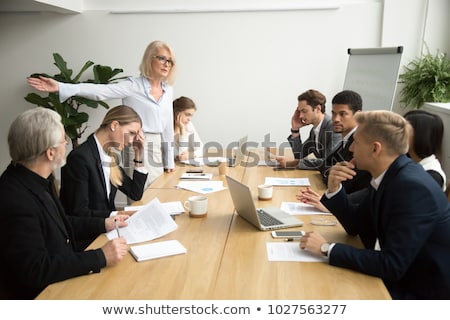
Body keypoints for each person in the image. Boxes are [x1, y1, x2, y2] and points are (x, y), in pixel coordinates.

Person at [299, 110, 450, 299]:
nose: (351, 148)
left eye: (357, 142)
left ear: (375, 149)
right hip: (399, 280)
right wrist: (334, 188)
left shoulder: (412, 187)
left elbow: (391, 265)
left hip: (419, 294)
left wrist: (327, 248)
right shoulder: (390, 175)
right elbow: (355, 225)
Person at [0, 107, 129, 299]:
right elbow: (36, 269)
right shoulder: (15, 198)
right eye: (63, 140)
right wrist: (100, 256)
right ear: (50, 153)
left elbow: (61, 225)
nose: (67, 143)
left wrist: (104, 223)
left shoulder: (38, 178)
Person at [27, 40, 177, 188]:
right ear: (150, 59)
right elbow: (100, 91)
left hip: (157, 146)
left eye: (170, 61)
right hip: (136, 143)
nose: (166, 64)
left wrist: (169, 160)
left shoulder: (168, 90)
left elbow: (168, 126)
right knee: (142, 195)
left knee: (160, 191)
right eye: (162, 58)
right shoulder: (133, 86)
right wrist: (61, 87)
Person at [60, 105, 148, 248]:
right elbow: (78, 212)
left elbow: (135, 193)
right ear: (114, 125)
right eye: (131, 133)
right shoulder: (80, 158)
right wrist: (116, 214)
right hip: (88, 240)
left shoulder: (109, 156)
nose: (132, 140)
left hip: (108, 233)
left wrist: (138, 154)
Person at [276, 89, 341, 169]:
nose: (300, 116)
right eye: (299, 112)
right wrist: (295, 129)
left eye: (304, 111)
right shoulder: (314, 131)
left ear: (318, 109)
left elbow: (327, 161)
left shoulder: (333, 128)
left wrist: (294, 163)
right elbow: (299, 155)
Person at [404, 109, 446, 191]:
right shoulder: (406, 160)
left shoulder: (432, 176)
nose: (398, 133)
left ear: (421, 136)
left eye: (404, 129)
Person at [173, 96, 203, 161]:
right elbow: (181, 157)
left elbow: (202, 149)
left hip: (183, 167)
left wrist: (191, 155)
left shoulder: (188, 125)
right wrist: (182, 130)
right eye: (187, 114)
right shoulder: (167, 129)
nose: (189, 119)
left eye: (191, 116)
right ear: (177, 113)